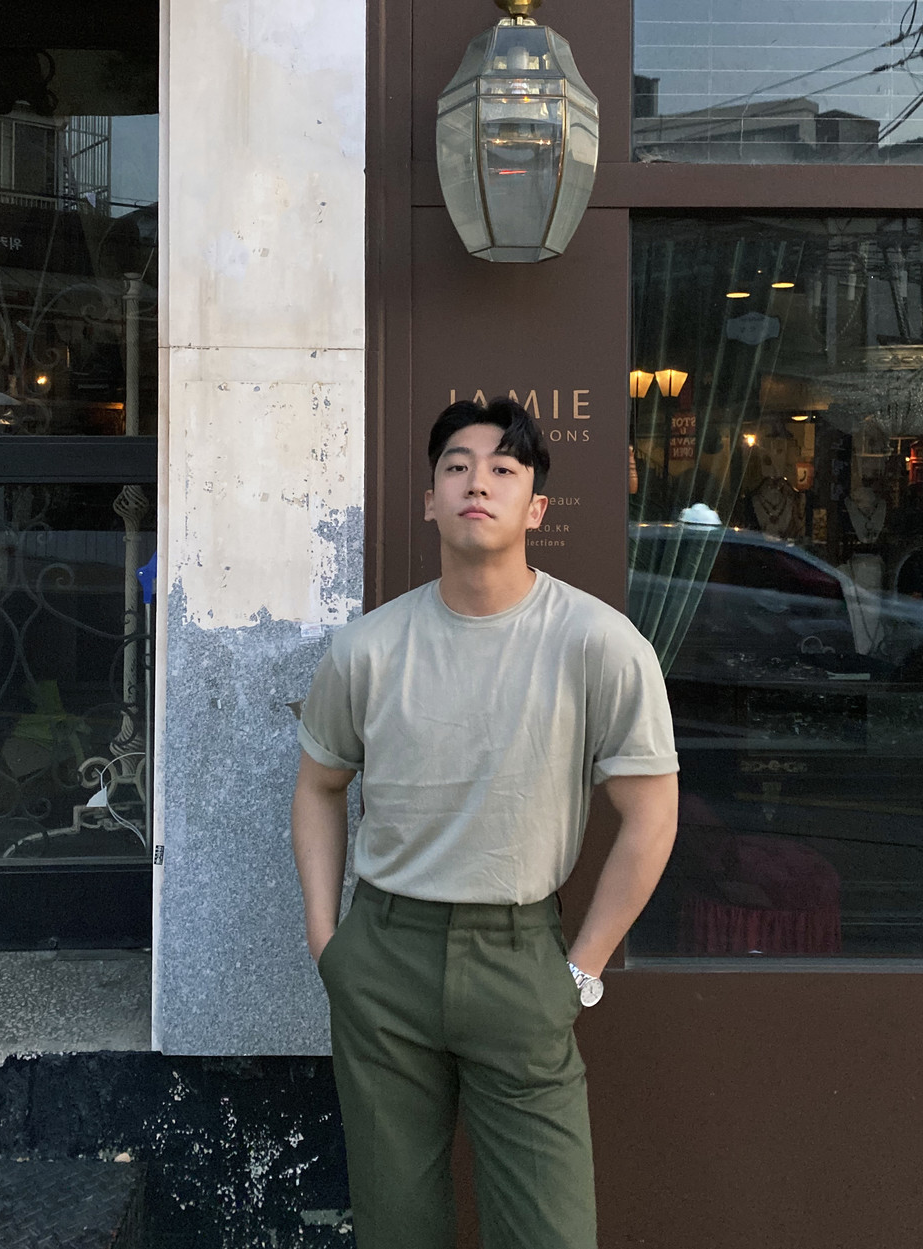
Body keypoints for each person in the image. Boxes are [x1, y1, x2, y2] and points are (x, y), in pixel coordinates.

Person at [292, 397, 679, 1249]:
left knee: (550, 1231)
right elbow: (319, 786)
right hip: (384, 956)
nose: (478, 483)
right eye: (457, 466)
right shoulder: (367, 648)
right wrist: (328, 941)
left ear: (536, 508)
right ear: (429, 499)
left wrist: (581, 969)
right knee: (396, 1226)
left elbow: (652, 813)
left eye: (505, 468)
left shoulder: (599, 642)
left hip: (521, 960)